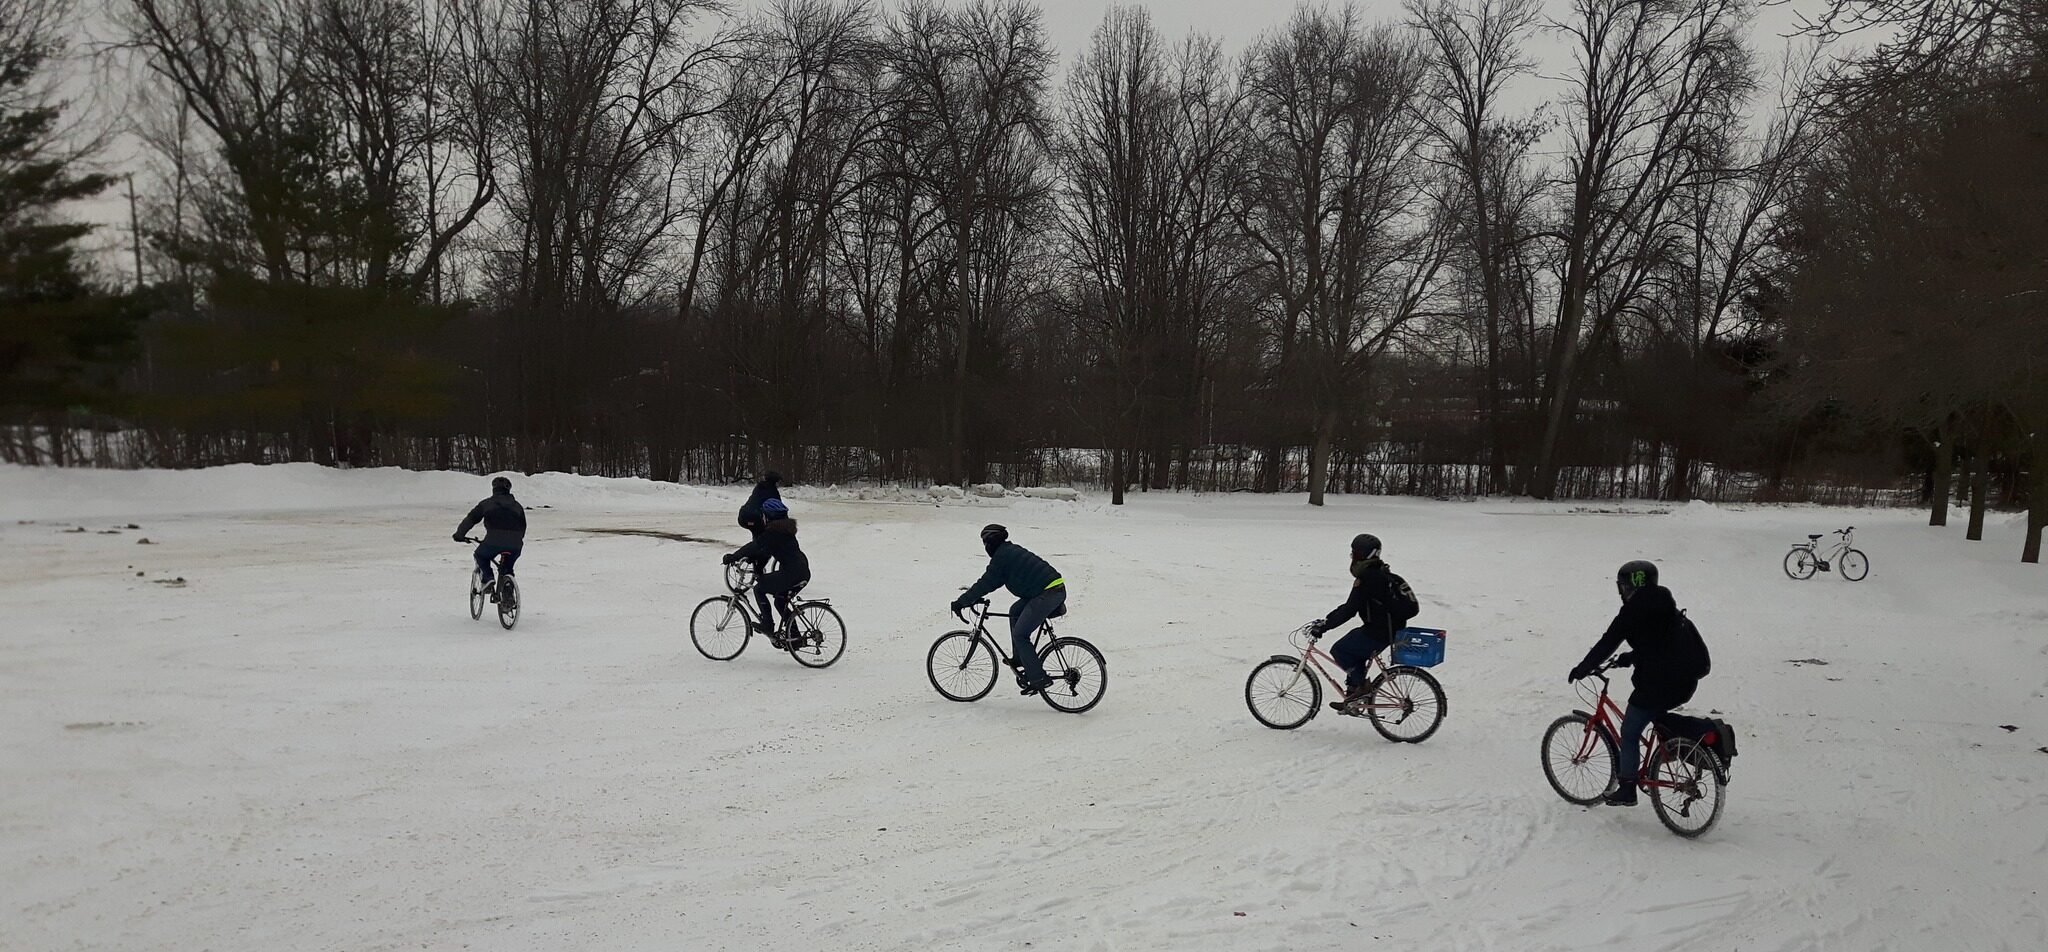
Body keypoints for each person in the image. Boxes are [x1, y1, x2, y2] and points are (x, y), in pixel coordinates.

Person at [1567, 560, 1712, 807]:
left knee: (1630, 732)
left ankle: (1627, 788)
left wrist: (1583, 669)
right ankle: (1667, 750)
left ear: (1626, 587)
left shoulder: (1631, 613)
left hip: (1659, 685)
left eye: (1621, 587)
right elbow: (1659, 644)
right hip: (1685, 682)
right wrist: (1629, 658)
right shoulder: (1667, 607)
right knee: (1654, 716)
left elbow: (1607, 643)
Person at [1306, 533, 1420, 712]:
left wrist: (1326, 625)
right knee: (1354, 647)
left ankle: (1361, 688)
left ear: (1364, 555)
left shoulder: (1368, 578)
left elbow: (1350, 609)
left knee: (1340, 649)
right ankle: (1353, 696)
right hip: (1390, 629)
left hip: (1379, 632)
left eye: (1355, 553)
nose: (1352, 557)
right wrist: (1328, 619)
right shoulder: (1382, 573)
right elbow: (1351, 606)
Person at [950, 525, 1066, 695]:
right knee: (1015, 611)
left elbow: (986, 582)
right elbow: (991, 582)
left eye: (985, 543)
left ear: (991, 542)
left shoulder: (1003, 557)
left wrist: (961, 602)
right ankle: (1020, 659)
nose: (985, 547)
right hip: (1048, 589)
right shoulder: (1008, 550)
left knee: (1020, 634)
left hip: (1049, 593)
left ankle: (1039, 678)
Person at [723, 498, 809, 644]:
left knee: (759, 588)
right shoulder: (784, 530)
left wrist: (733, 556)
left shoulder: (774, 532)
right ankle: (795, 639)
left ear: (768, 516)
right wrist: (754, 559)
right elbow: (766, 550)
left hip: (791, 574)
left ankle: (768, 625)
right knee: (780, 603)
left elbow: (755, 545)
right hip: (801, 572)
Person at [454, 475, 527, 600]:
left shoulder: (486, 504)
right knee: (507, 568)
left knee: (480, 555)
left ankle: (488, 579)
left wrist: (459, 535)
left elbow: (470, 519)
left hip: (493, 541)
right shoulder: (517, 506)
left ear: (494, 489)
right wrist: (516, 539)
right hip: (515, 545)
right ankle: (508, 596)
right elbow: (523, 526)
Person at [736, 471, 783, 573]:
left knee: (757, 540)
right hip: (756, 518)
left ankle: (751, 557)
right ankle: (758, 569)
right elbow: (778, 509)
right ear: (775, 482)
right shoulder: (773, 492)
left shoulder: (759, 487)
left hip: (743, 516)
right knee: (766, 544)